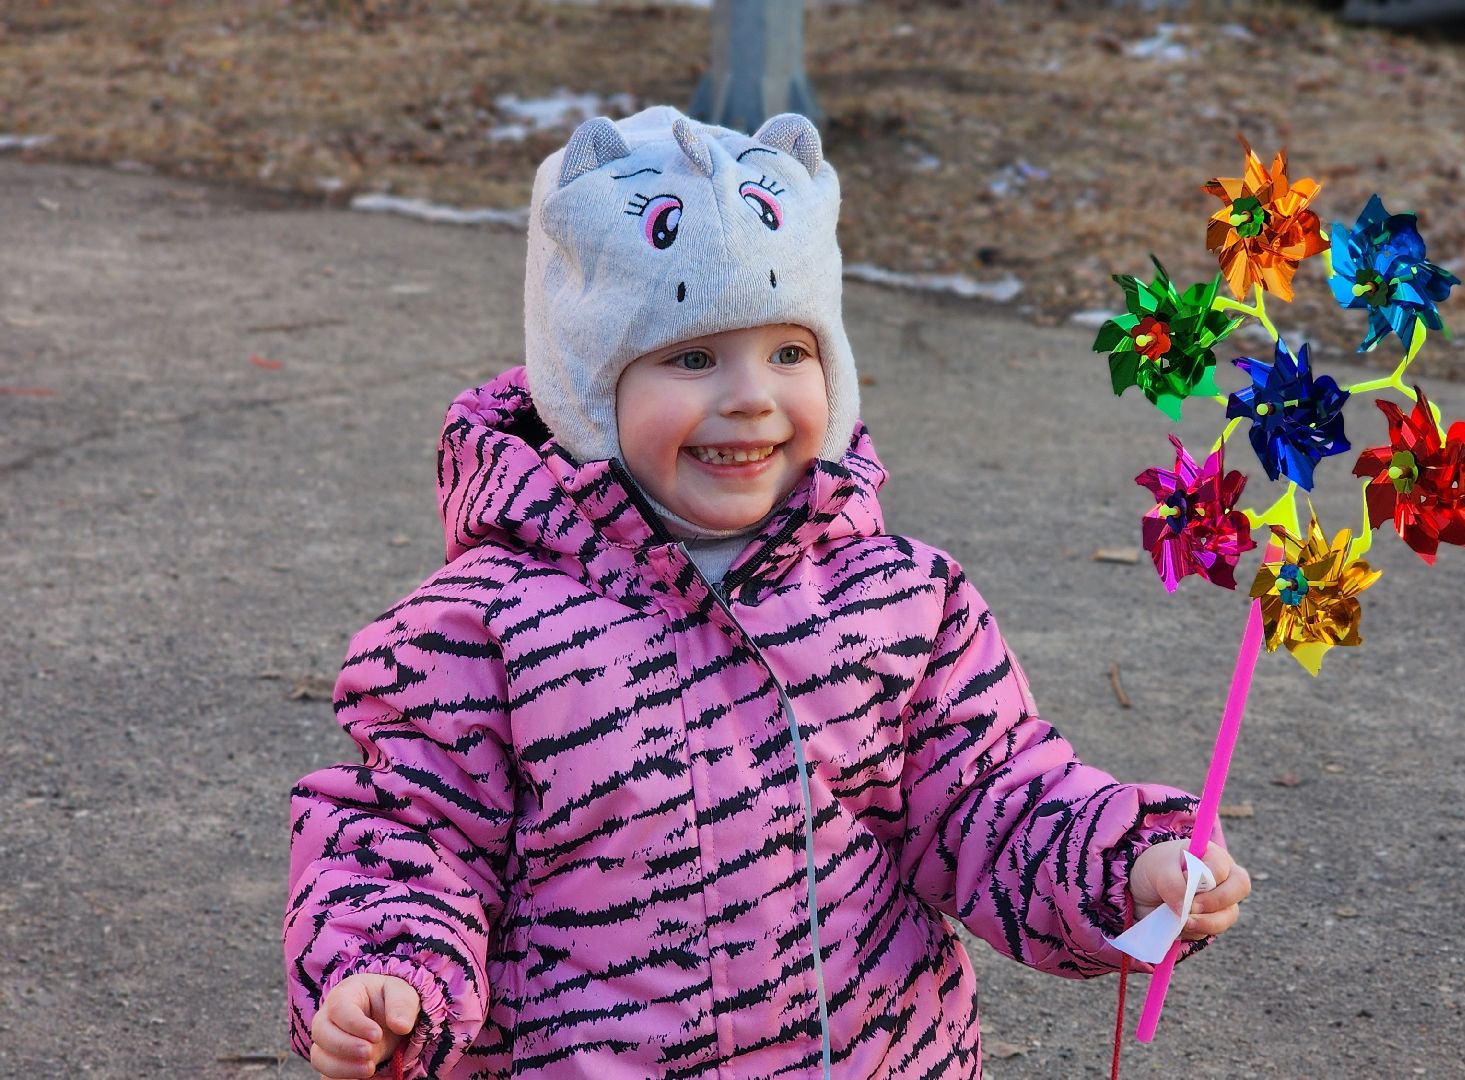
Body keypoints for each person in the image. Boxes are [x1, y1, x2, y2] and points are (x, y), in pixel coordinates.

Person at [284, 105, 1251, 1079]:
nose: (750, 395)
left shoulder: (898, 602)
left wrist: (1124, 866)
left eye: (789, 353)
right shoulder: (477, 630)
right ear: (582, 387)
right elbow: (407, 834)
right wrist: (386, 971)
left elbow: (989, 795)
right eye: (693, 356)